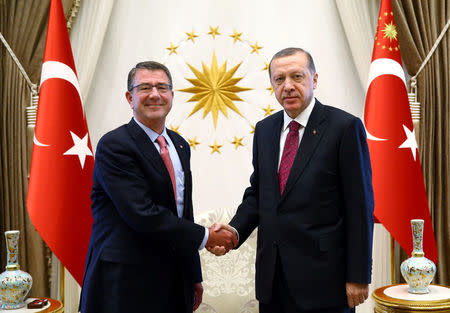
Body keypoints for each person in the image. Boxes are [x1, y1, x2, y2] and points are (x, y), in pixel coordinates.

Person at [210, 48, 374, 313]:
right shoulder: (265, 130)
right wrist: (234, 231)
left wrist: (358, 275)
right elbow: (259, 193)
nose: (287, 86)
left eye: (297, 76)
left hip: (325, 282)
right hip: (273, 280)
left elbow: (360, 207)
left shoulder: (344, 127)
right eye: (279, 79)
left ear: (314, 79)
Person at [79, 61, 237, 313]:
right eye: (145, 88)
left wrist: (193, 274)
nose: (155, 94)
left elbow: (183, 212)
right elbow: (142, 214)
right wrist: (206, 236)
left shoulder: (180, 145)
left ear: (172, 96)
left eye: (162, 87)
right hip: (125, 282)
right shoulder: (114, 146)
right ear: (130, 97)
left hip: (173, 279)